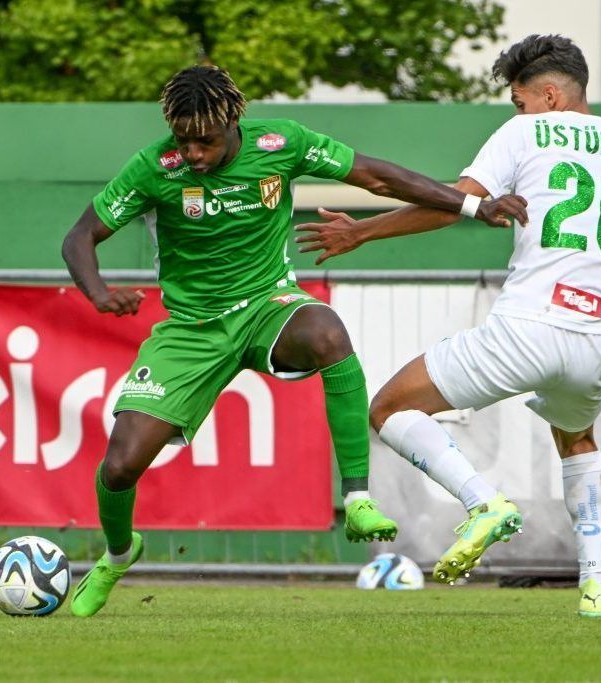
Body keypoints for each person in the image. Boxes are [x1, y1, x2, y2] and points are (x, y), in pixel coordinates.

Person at [61, 64, 528, 617]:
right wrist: (98, 293)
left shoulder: (281, 143)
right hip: (191, 329)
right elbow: (80, 236)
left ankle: (357, 498)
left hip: (268, 305)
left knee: (327, 332)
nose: (193, 153)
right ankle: (118, 555)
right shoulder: (153, 167)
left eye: (205, 141)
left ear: (233, 123)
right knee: (120, 466)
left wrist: (473, 205)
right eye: (183, 140)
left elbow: (376, 177)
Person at [296, 34, 601, 617]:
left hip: (525, 328)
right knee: (577, 439)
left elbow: (453, 203)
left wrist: (362, 232)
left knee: (390, 409)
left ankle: (483, 503)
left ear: (549, 95)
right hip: (596, 342)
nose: (518, 112)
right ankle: (596, 588)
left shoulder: (527, 133)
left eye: (520, 101)